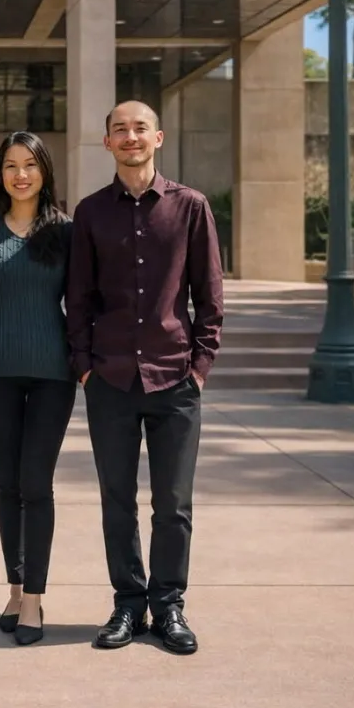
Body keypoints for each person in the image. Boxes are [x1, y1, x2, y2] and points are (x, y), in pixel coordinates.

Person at [67, 100, 223, 655]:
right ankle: (128, 605)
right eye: (119, 130)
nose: (130, 137)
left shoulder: (191, 207)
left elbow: (209, 296)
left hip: (174, 379)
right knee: (117, 501)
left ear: (157, 137)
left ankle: (170, 606)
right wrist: (83, 366)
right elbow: (78, 297)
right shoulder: (89, 213)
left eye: (139, 128)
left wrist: (199, 367)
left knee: (173, 504)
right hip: (109, 378)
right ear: (106, 143)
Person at [0, 132, 76, 647]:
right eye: (11, 165)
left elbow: (83, 302)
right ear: (0, 173)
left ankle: (34, 596)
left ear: (44, 172)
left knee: (36, 484)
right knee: (6, 485)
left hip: (54, 373)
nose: (20, 175)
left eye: (30, 165)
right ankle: (14, 588)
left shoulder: (66, 230)